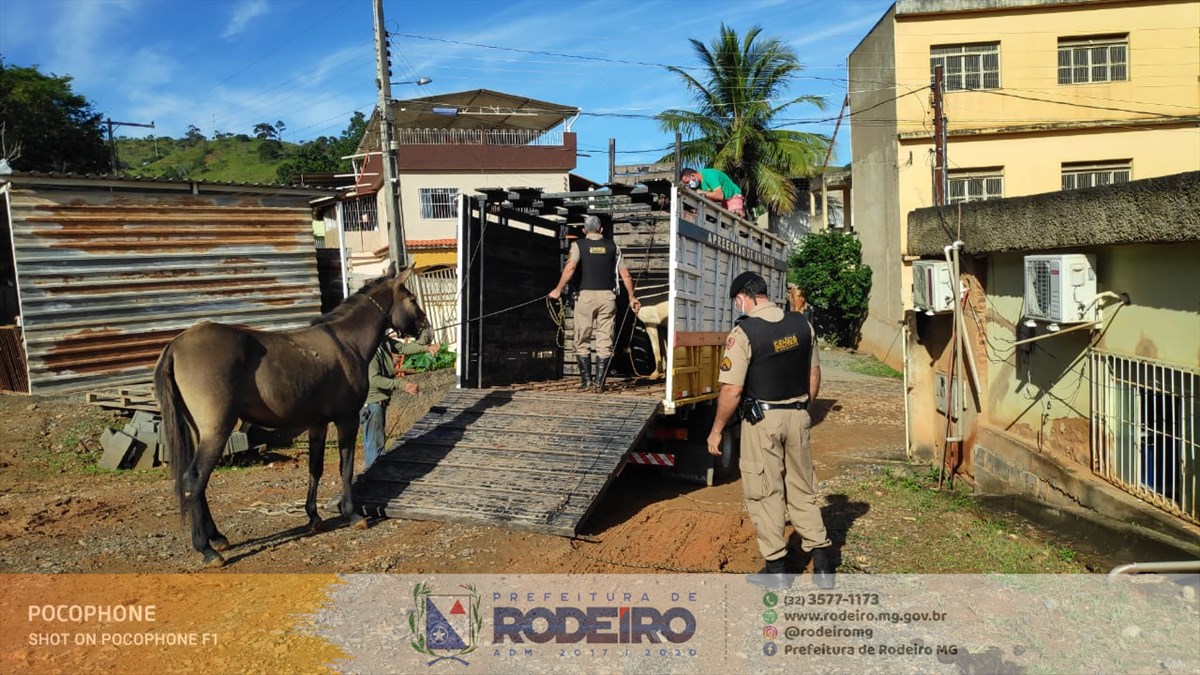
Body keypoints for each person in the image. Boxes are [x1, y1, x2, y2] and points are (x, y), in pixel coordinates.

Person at [706, 271, 835, 591]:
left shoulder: (744, 332)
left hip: (763, 422)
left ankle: (777, 568)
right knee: (803, 487)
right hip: (798, 416)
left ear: (742, 298)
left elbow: (732, 391)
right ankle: (823, 565)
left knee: (765, 491)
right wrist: (802, 410)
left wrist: (717, 430)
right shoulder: (802, 324)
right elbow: (814, 375)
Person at [548, 215, 641, 393]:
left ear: (584, 230)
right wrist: (631, 297)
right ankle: (600, 383)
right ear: (601, 230)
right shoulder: (613, 246)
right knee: (604, 339)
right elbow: (626, 274)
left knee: (582, 337)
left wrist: (558, 289)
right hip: (608, 298)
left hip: (585, 297)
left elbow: (570, 268)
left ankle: (586, 382)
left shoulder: (578, 245)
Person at [681, 167, 746, 217]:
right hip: (723, 202)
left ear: (693, 175)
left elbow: (720, 196)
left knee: (735, 218)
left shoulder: (710, 175)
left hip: (733, 196)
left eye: (688, 182)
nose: (689, 185)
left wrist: (702, 193)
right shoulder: (699, 184)